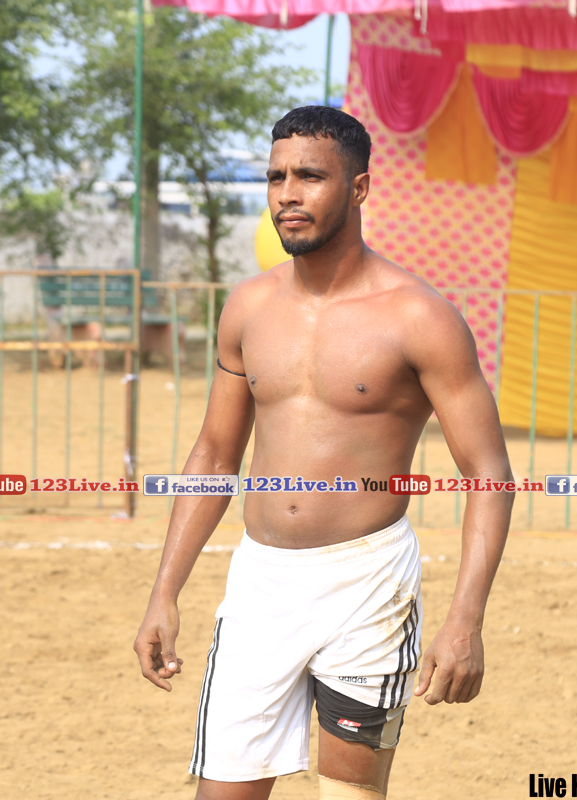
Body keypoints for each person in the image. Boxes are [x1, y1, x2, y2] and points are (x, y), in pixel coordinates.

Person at [132, 106, 514, 800]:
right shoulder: (248, 308)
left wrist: (466, 618)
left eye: (309, 176)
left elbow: (488, 472)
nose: (287, 194)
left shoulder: (418, 317)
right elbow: (215, 455)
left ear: (359, 188)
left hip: (368, 585)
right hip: (261, 583)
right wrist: (165, 591)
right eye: (276, 176)